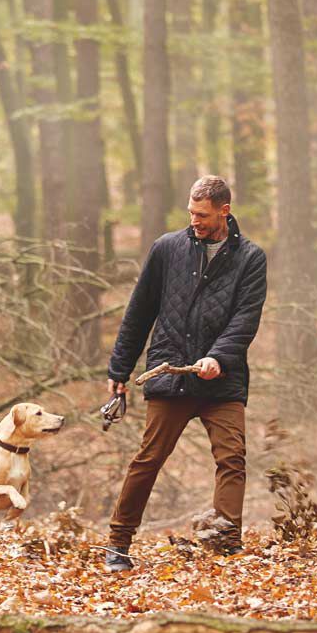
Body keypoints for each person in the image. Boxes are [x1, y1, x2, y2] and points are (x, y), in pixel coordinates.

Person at [102, 175, 268, 571]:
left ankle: (226, 543)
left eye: (203, 214)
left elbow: (246, 319)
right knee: (148, 459)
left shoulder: (250, 257)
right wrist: (120, 368)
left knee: (233, 460)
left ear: (224, 211)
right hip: (168, 373)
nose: (195, 220)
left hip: (222, 381)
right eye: (191, 212)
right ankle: (118, 544)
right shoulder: (167, 249)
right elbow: (139, 311)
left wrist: (218, 358)